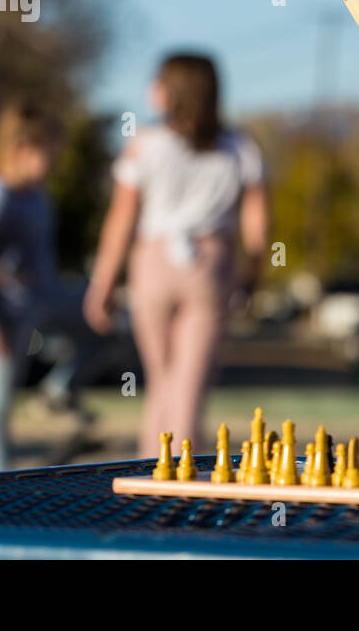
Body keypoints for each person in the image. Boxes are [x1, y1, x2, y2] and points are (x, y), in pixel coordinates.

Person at [83, 53, 269, 452]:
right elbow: (257, 222)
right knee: (188, 387)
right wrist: (253, 272)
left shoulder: (144, 145)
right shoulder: (239, 146)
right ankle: (179, 490)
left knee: (161, 383)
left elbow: (121, 220)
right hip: (210, 264)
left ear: (172, 92)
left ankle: (151, 482)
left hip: (152, 263)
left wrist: (103, 283)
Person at [0, 100, 60, 472]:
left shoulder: (38, 197)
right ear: (20, 149)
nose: (53, 164)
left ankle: (60, 391)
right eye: (47, 155)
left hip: (36, 309)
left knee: (110, 326)